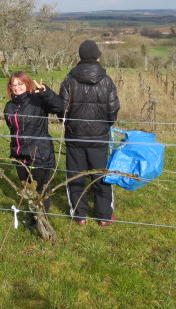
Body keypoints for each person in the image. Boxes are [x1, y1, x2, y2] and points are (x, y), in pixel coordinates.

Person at [58, 39, 120, 226]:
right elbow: (113, 109)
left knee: (76, 175)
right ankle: (103, 216)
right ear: (98, 57)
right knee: (101, 176)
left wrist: (68, 125)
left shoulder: (69, 80)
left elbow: (62, 110)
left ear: (80, 57)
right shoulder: (107, 80)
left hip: (75, 137)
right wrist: (105, 126)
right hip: (99, 137)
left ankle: (79, 215)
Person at [3, 71, 63, 228]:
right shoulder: (9, 106)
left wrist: (46, 93)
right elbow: (12, 129)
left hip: (39, 153)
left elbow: (59, 106)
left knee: (42, 191)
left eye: (20, 84)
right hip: (19, 155)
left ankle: (42, 221)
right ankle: (33, 216)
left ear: (27, 84)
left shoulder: (38, 101)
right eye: (13, 85)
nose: (16, 88)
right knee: (28, 189)